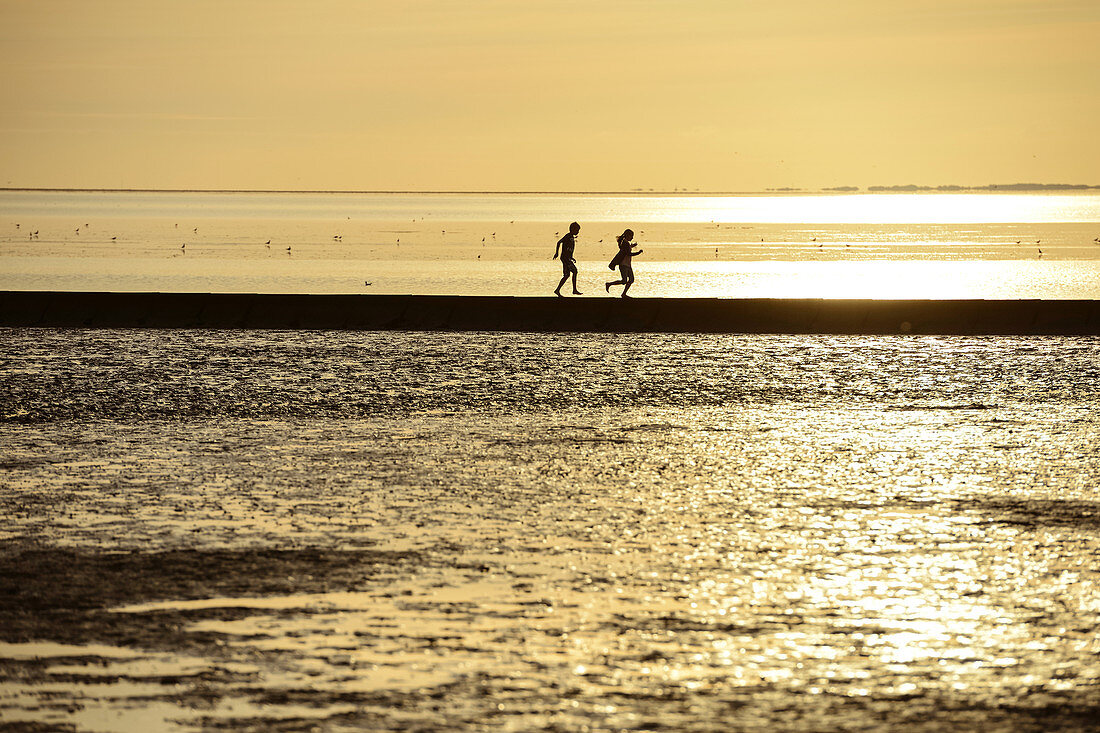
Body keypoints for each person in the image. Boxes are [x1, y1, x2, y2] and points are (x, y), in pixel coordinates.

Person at [605, 228, 643, 298]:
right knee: (624, 281)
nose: (632, 237)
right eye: (631, 236)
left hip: (628, 265)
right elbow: (628, 253)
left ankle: (623, 294)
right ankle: (609, 284)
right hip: (623, 265)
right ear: (627, 236)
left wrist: (632, 246)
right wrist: (638, 253)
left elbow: (626, 249)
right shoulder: (625, 243)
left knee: (631, 280)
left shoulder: (626, 243)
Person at [553, 222, 583, 296]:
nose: (578, 232)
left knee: (567, 275)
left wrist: (571, 257)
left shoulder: (572, 237)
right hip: (565, 258)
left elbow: (569, 248)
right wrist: (557, 253)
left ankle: (557, 290)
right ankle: (574, 290)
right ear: (573, 229)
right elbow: (559, 242)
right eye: (577, 230)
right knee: (574, 271)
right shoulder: (567, 236)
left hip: (568, 258)